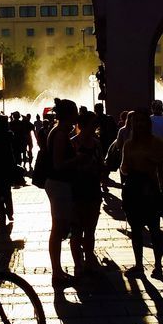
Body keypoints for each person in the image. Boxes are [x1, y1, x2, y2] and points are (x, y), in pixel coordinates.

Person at [120, 107, 163, 278]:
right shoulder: (129, 144)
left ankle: (158, 266)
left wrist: (154, 162)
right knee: (136, 230)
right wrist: (127, 168)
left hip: (150, 190)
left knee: (155, 230)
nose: (139, 124)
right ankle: (139, 264)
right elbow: (123, 168)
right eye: (136, 121)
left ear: (148, 123)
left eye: (142, 121)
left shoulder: (157, 142)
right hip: (133, 189)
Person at [45, 98, 79, 288]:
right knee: (58, 229)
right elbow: (58, 164)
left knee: (60, 227)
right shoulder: (59, 134)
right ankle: (56, 272)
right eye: (74, 112)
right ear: (69, 114)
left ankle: (58, 271)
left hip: (60, 184)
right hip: (58, 185)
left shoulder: (61, 132)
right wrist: (78, 159)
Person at [69, 109, 104, 273]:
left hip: (93, 190)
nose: (95, 128)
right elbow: (67, 167)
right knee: (77, 230)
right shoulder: (73, 143)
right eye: (92, 124)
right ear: (82, 125)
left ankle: (89, 260)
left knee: (90, 229)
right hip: (77, 191)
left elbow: (100, 163)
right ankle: (78, 264)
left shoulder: (97, 143)